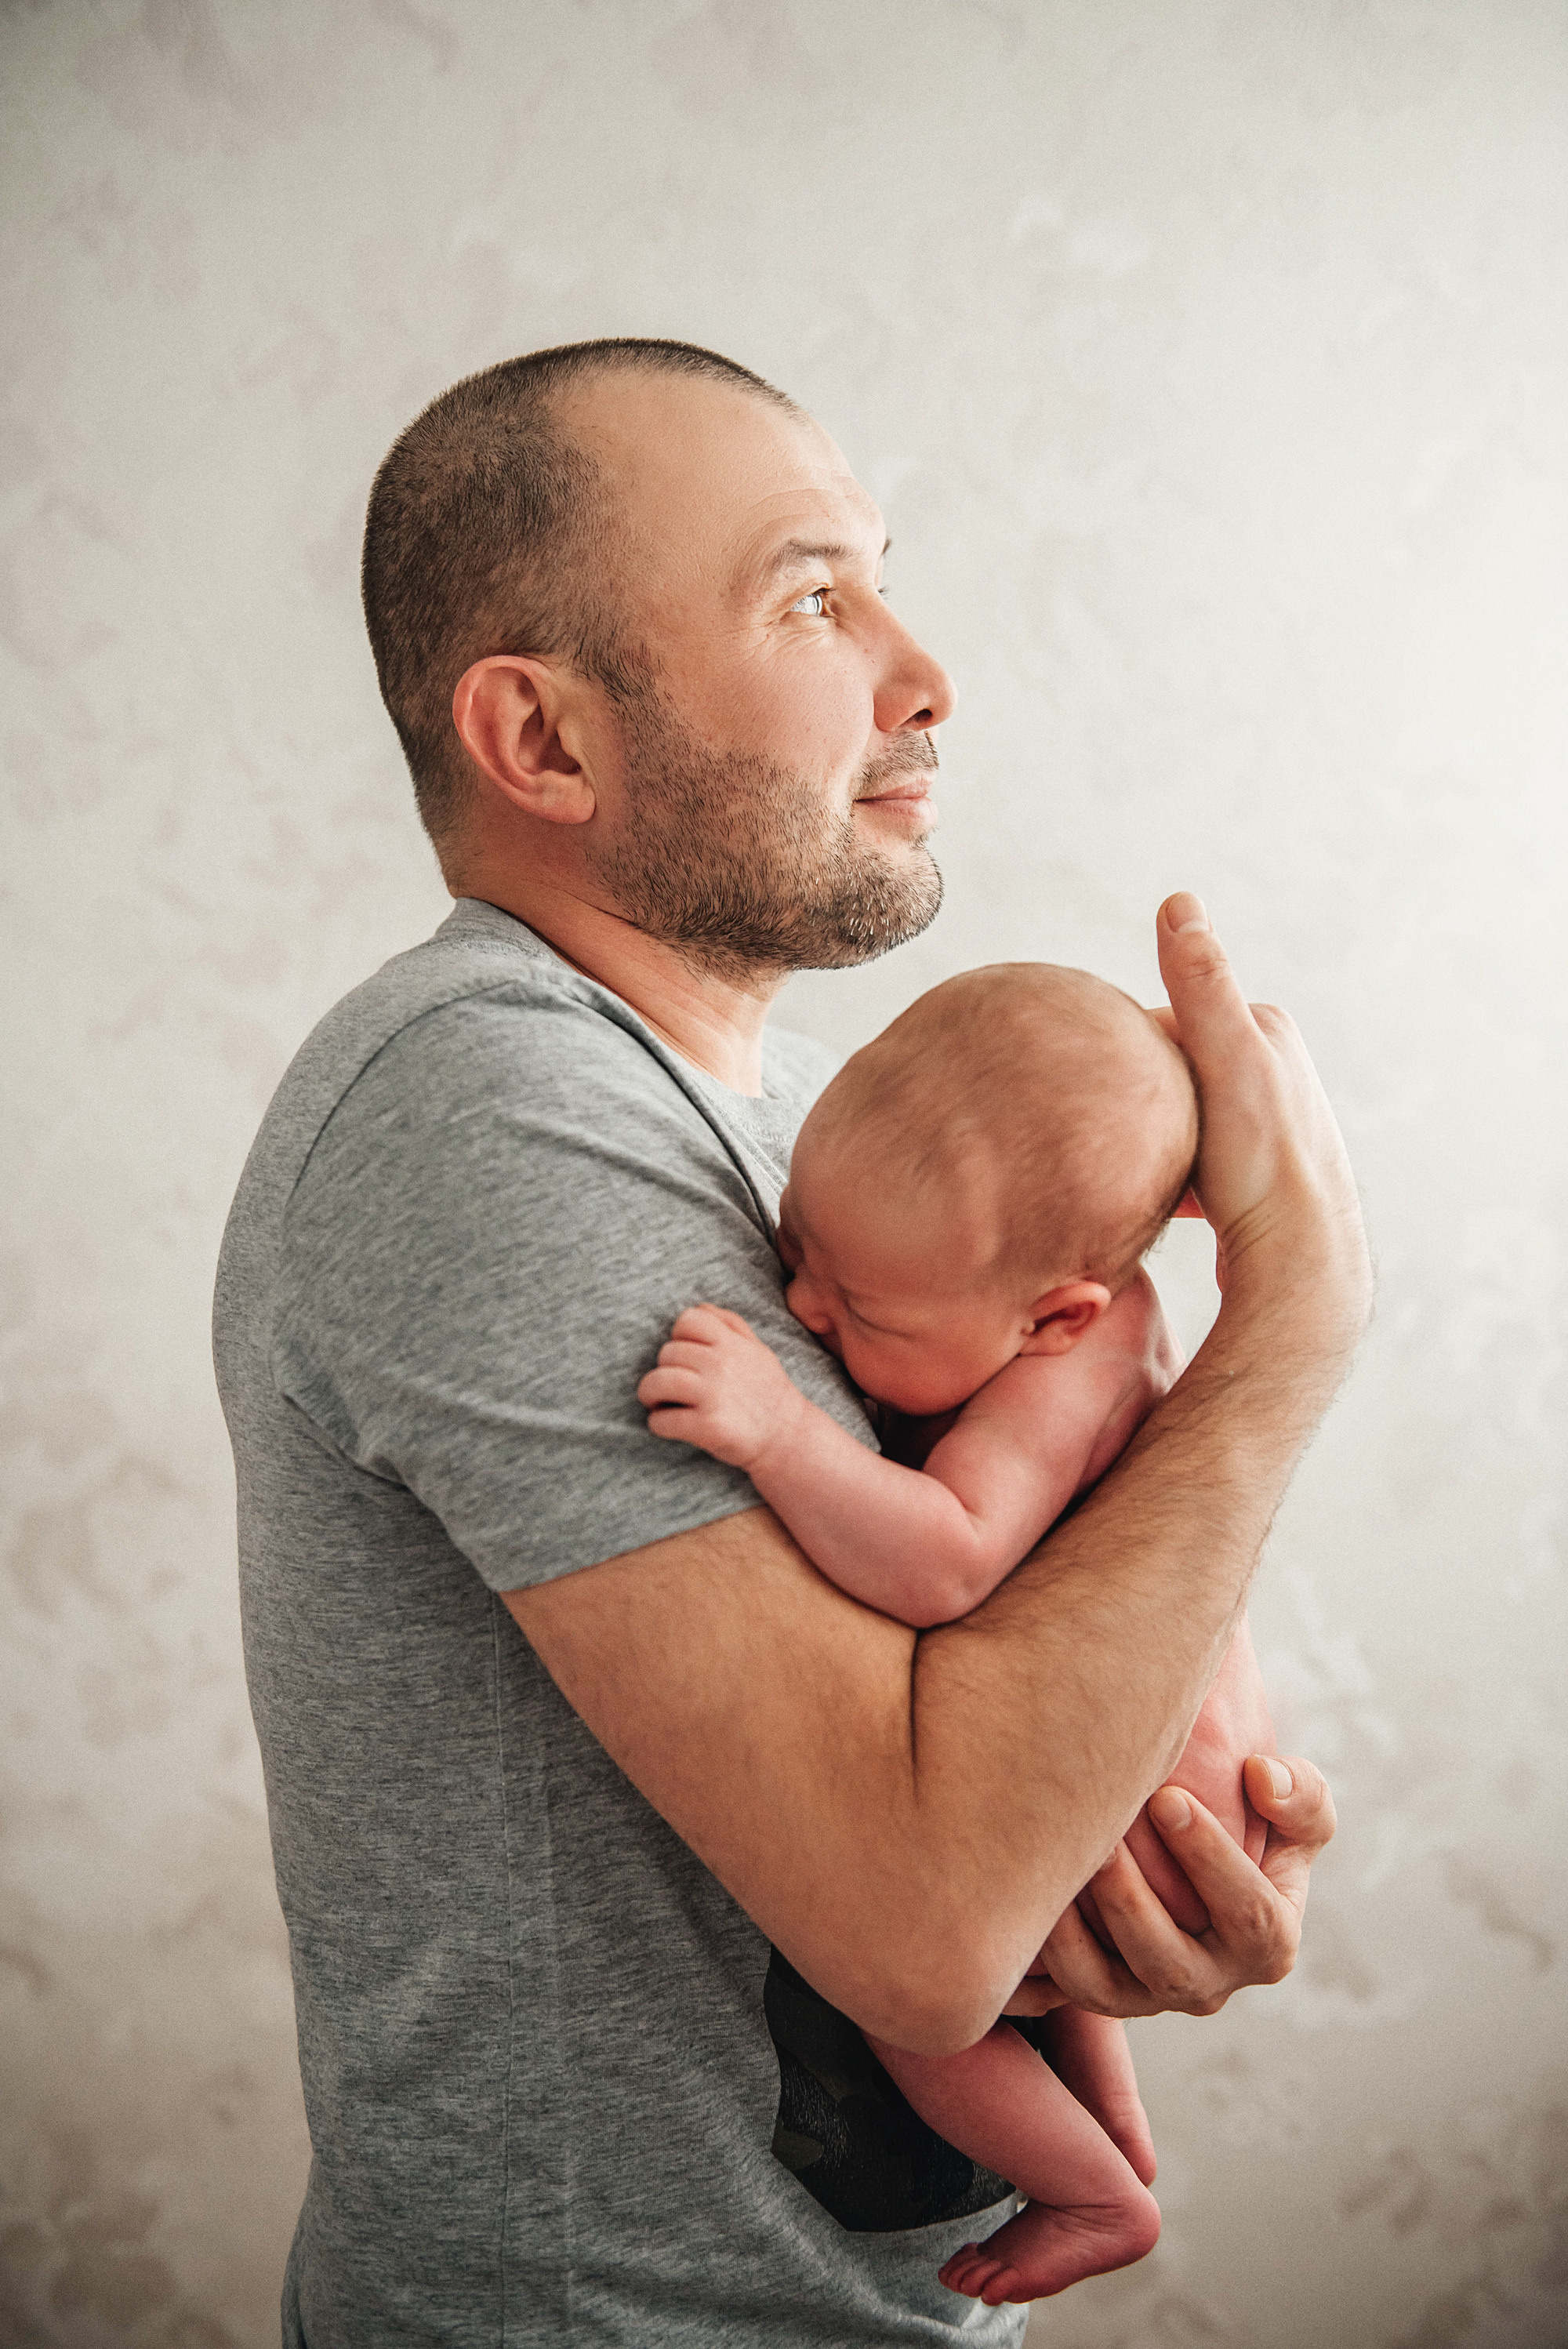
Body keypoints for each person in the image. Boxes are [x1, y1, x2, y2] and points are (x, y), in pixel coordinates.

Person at [212, 337, 1367, 2348]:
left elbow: (998, 1761)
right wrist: (1294, 1326)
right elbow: (927, 1930)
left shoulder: (822, 1138)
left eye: (884, 575)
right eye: (812, 596)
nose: (924, 673)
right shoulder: (488, 1105)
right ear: (543, 742)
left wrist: (1141, 1852)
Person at [638, 960, 1277, 2308]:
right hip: (1134, 1774)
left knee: (912, 1990)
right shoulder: (1017, 1292)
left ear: (1056, 1316)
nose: (805, 1307)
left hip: (1152, 1797)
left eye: (861, 1312)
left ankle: (1091, 2191)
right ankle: (1118, 2131)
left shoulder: (1068, 1380)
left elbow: (948, 1557)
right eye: (800, 1248)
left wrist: (776, 1428)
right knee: (1026, 1969)